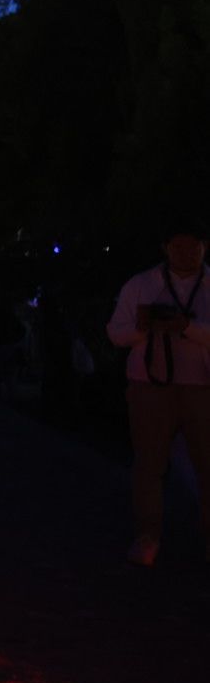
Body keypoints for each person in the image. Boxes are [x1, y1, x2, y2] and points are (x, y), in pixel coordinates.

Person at [105, 219, 210, 567]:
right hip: (149, 385)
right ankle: (147, 536)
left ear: (203, 248)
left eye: (193, 247)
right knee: (149, 464)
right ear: (165, 248)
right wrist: (142, 329)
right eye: (178, 247)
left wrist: (187, 328)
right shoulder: (141, 284)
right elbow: (115, 333)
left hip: (202, 386)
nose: (186, 254)